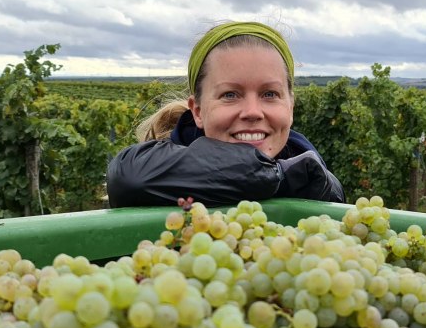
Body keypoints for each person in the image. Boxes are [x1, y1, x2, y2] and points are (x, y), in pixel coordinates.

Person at [106, 21, 345, 208]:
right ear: (197, 111)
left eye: (270, 94)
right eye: (230, 95)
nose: (252, 112)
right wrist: (277, 176)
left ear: (290, 107)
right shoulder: (152, 168)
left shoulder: (309, 169)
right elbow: (128, 179)